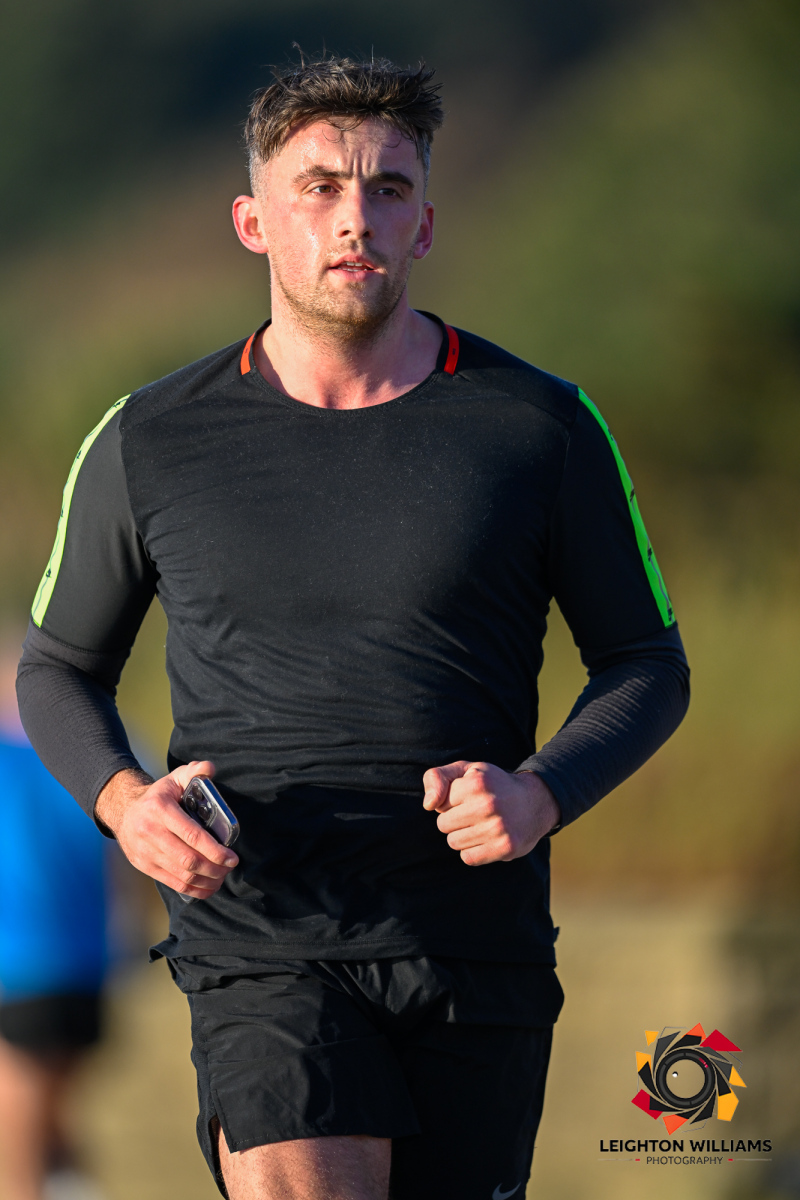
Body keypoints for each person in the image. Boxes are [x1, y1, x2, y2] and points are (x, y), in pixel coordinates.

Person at [17, 56, 689, 1200]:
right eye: (319, 187)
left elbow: (645, 664)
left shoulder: (539, 427)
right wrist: (124, 804)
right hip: (261, 930)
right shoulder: (148, 438)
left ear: (423, 223)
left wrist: (540, 794)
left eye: (386, 189)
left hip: (473, 943)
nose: (353, 218)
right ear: (253, 222)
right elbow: (58, 668)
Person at [0, 640, 108, 1200]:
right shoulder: (92, 757)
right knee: (47, 1118)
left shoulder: (11, 765)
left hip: (21, 965)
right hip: (85, 962)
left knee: (19, 1153)